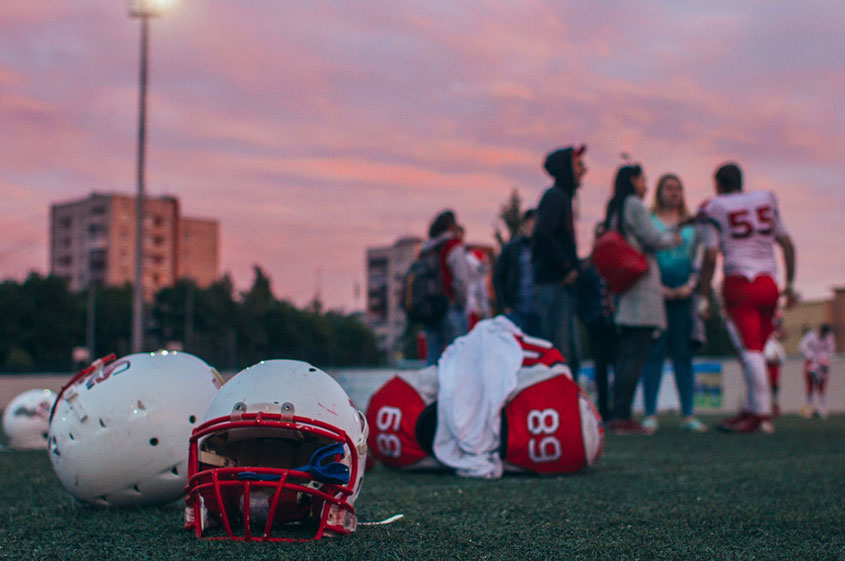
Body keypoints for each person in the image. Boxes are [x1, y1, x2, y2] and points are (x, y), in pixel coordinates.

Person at [697, 162, 797, 434]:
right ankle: (754, 407)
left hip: (740, 282)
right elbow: (787, 244)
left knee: (749, 350)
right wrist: (789, 284)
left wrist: (703, 294)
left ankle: (761, 415)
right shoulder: (765, 199)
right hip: (769, 282)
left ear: (717, 184)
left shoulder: (714, 206)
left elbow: (709, 255)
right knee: (757, 348)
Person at [602, 164, 681, 434]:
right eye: (643, 179)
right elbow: (653, 237)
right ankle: (622, 415)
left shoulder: (615, 208)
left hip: (625, 288)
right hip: (641, 287)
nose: (646, 186)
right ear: (634, 180)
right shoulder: (634, 204)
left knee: (626, 354)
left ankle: (617, 412)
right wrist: (674, 238)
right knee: (636, 353)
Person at [640, 174, 707, 433]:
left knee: (684, 354)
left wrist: (690, 286)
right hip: (657, 296)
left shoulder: (693, 227)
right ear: (659, 192)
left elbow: (700, 259)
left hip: (684, 297)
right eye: (669, 187)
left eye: (678, 188)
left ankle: (688, 414)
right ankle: (649, 414)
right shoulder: (650, 221)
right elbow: (645, 255)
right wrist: (659, 288)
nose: (674, 192)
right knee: (654, 353)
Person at [532, 145, 587, 378]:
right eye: (577, 164)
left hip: (560, 286)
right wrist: (566, 266)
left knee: (569, 352)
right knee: (559, 353)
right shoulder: (555, 198)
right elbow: (542, 235)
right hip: (554, 286)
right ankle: (557, 405)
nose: (583, 169)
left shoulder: (562, 198)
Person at [577, 222, 617, 421]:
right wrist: (586, 317)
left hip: (615, 323)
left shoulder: (616, 263)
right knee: (600, 366)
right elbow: (580, 295)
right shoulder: (587, 266)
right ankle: (602, 407)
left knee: (617, 365)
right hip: (596, 323)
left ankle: (618, 407)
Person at [421, 210, 471, 365]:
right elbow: (461, 279)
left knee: (433, 357)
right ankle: (456, 389)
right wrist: (462, 303)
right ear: (452, 226)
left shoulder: (426, 249)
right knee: (458, 356)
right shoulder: (453, 246)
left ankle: (430, 389)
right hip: (450, 307)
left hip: (429, 310)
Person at [493, 209, 541, 335]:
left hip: (539, 311)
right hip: (517, 309)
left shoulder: (544, 248)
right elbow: (498, 277)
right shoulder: (513, 248)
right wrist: (505, 305)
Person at [799, 324, 835, 419]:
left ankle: (821, 408)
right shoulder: (810, 336)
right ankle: (809, 408)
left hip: (822, 362)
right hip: (811, 361)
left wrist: (823, 358)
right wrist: (811, 356)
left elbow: (831, 350)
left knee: (822, 386)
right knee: (809, 385)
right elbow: (802, 346)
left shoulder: (829, 337)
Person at [763, 322, 787, 417]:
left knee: (774, 387)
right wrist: (769, 358)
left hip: (774, 368)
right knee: (764, 387)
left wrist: (777, 359)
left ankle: (774, 406)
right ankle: (764, 408)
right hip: (767, 367)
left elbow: (783, 358)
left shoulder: (776, 344)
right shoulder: (767, 342)